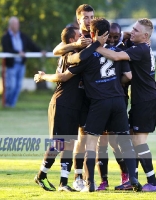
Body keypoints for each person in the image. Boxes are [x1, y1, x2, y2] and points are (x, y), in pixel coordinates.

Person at [47, 18, 142, 193]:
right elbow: (128, 76)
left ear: (92, 33)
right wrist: (113, 84)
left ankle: (90, 183)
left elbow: (73, 63)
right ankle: (133, 178)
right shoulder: (119, 51)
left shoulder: (87, 56)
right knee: (124, 141)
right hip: (118, 100)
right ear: (108, 34)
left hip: (99, 103)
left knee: (91, 142)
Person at [95, 18, 156, 192]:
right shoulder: (142, 46)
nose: (132, 32)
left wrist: (96, 46)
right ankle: (133, 180)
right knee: (132, 139)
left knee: (139, 141)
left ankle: (153, 182)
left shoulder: (141, 49)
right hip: (144, 99)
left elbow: (116, 56)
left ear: (145, 36)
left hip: (146, 101)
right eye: (132, 28)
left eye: (136, 30)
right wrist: (129, 36)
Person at [34, 26, 101, 192]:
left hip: (73, 106)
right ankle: (41, 175)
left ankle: (63, 183)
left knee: (69, 144)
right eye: (79, 35)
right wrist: (43, 77)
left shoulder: (71, 53)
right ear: (72, 40)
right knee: (58, 144)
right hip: (62, 103)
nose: (82, 38)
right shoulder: (74, 56)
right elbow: (63, 77)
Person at [53, 4, 95, 191]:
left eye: (91, 16)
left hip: (94, 95)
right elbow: (56, 50)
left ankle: (95, 179)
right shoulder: (77, 38)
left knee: (90, 140)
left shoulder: (98, 33)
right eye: (85, 17)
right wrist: (76, 45)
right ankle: (77, 177)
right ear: (78, 19)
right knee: (77, 139)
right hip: (76, 96)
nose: (89, 20)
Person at [96, 22, 131, 191]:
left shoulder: (123, 50)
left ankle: (125, 175)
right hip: (100, 100)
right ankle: (103, 180)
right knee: (101, 141)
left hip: (119, 100)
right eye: (109, 36)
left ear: (121, 36)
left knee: (115, 141)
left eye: (116, 37)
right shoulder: (96, 48)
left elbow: (128, 76)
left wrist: (116, 84)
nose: (112, 39)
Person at [1, 16, 45, 108]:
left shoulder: (22, 36)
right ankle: (7, 105)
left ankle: (11, 106)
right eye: (15, 24)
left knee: (18, 86)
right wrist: (18, 52)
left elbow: (31, 45)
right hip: (11, 65)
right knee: (11, 86)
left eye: (17, 23)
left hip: (21, 64)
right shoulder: (5, 37)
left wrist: (40, 51)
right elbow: (7, 49)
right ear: (11, 25)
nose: (17, 25)